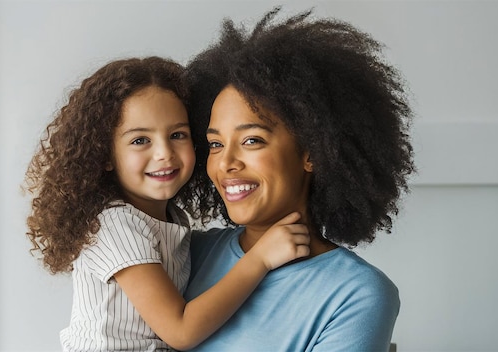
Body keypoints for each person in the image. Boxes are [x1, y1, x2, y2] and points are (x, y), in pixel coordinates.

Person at [24, 56, 311, 352]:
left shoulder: (172, 219)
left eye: (177, 135)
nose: (164, 153)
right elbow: (181, 331)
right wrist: (260, 258)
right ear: (105, 156)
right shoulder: (116, 225)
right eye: (140, 141)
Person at [183, 7, 415, 351]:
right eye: (215, 144)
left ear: (313, 151)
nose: (225, 162)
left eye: (252, 140)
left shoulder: (357, 294)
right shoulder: (189, 253)